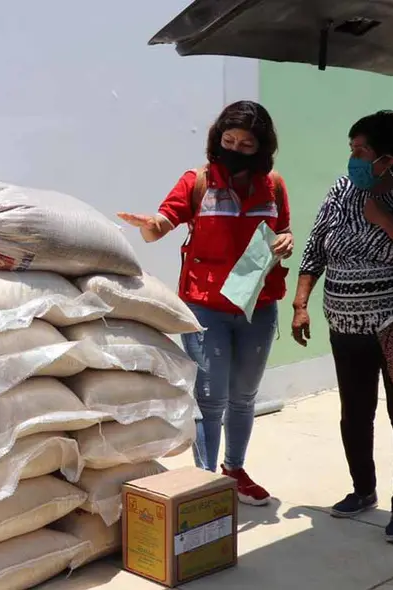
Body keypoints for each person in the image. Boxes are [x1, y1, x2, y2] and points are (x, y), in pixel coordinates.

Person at [118, 100, 293, 506]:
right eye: (228, 140)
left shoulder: (274, 184)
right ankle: (205, 483)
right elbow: (163, 223)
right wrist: (152, 226)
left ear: (262, 147)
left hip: (257, 304)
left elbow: (282, 232)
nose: (234, 149)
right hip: (206, 307)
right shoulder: (197, 181)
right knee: (210, 398)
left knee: (244, 396)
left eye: (245, 144)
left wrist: (285, 242)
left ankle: (235, 469)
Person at [292, 110, 393, 544]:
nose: (353, 158)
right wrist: (301, 302)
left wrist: (384, 220)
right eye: (351, 149)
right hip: (345, 325)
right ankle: (363, 490)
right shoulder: (341, 190)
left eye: (360, 150)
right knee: (355, 413)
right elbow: (314, 247)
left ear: (387, 156)